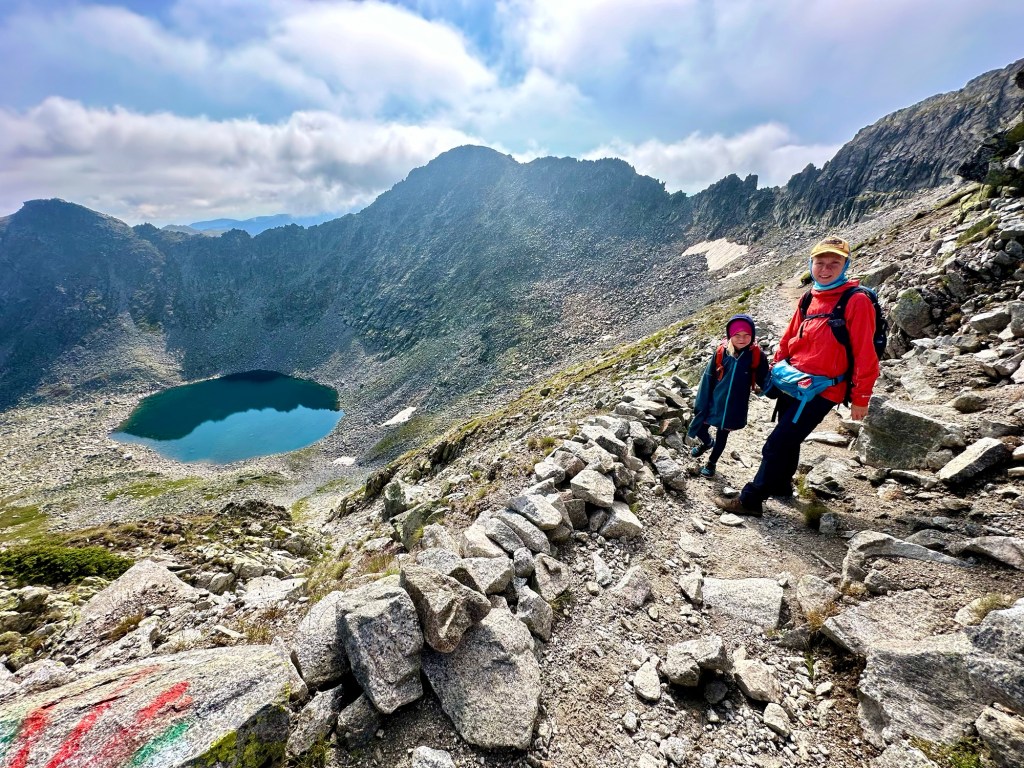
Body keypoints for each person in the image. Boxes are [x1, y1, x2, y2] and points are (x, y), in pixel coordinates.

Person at [715, 236, 880, 516]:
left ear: (845, 265)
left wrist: (861, 397)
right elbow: (789, 336)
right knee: (788, 436)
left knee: (777, 443)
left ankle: (751, 499)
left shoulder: (856, 301)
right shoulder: (810, 297)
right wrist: (776, 367)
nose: (825, 269)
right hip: (794, 382)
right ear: (811, 264)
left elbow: (866, 354)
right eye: (820, 262)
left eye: (834, 263)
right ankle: (781, 485)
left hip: (822, 390)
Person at [687, 313, 770, 478]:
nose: (742, 339)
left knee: (722, 435)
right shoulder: (721, 352)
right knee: (700, 427)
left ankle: (711, 463)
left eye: (746, 335)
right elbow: (708, 378)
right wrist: (701, 403)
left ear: (752, 335)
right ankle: (707, 442)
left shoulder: (756, 355)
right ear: (730, 335)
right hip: (714, 401)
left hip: (735, 406)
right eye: (737, 335)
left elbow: (764, 379)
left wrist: (777, 389)